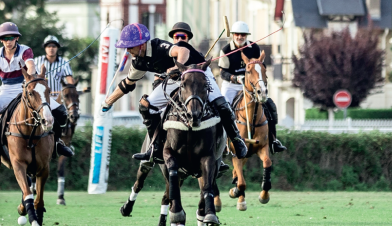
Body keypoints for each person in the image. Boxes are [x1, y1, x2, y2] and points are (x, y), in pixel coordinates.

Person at [100, 23, 248, 161]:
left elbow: (182, 50)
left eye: (129, 47)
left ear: (141, 44)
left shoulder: (158, 46)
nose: (128, 51)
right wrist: (108, 101)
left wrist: (179, 67)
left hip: (198, 72)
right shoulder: (138, 61)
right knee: (146, 106)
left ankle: (236, 138)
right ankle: (156, 148)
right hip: (177, 79)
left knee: (221, 103)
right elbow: (127, 83)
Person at [0, 23, 74, 168]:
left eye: (11, 37)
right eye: (5, 38)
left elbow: (31, 65)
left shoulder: (25, 51)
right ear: (1, 40)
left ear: (16, 38)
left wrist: (30, 76)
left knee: (61, 111)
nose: (8, 41)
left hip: (26, 90)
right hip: (6, 92)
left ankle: (58, 143)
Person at [218, 21, 287, 154]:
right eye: (237, 34)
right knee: (222, 110)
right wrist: (235, 78)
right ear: (233, 35)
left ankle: (273, 140)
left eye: (243, 34)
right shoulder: (226, 50)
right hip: (231, 86)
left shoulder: (254, 48)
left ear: (246, 35)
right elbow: (222, 73)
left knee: (269, 106)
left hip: (250, 87)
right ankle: (223, 143)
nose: (240, 37)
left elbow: (261, 67)